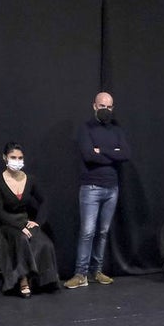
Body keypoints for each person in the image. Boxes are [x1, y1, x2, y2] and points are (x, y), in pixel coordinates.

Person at [64, 92, 130, 289]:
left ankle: (96, 271)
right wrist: (113, 153)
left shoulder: (117, 130)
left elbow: (126, 154)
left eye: (109, 107)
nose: (105, 110)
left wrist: (101, 150)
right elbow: (88, 155)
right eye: (102, 106)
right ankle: (80, 274)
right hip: (91, 188)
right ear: (94, 106)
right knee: (87, 232)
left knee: (102, 232)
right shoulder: (85, 129)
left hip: (112, 188)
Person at [0, 142, 59, 297]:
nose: (17, 161)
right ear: (5, 158)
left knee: (45, 242)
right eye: (13, 157)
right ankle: (23, 280)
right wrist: (18, 226)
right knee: (21, 239)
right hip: (6, 225)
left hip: (24, 221)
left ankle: (44, 281)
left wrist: (38, 222)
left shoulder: (30, 180)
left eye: (20, 158)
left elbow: (44, 201)